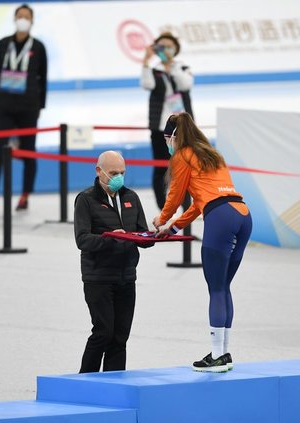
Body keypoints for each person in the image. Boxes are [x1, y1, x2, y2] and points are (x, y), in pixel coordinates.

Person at [153, 113, 252, 372]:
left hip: (220, 218)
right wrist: (173, 228)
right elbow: (199, 204)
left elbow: (175, 196)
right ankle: (224, 352)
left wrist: (161, 219)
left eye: (167, 140)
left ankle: (217, 356)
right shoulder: (212, 154)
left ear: (173, 137)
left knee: (216, 289)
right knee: (224, 287)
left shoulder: (182, 155)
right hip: (242, 214)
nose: (168, 145)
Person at [74, 150, 152, 373]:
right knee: (103, 332)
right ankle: (84, 383)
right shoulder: (86, 200)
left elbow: (142, 234)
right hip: (98, 277)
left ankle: (113, 385)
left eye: (122, 172)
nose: (118, 177)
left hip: (126, 276)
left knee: (120, 337)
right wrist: (111, 238)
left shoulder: (131, 198)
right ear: (99, 171)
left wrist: (154, 237)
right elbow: (82, 240)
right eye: (113, 173)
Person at [0, 3, 48, 213]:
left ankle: (25, 196)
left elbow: (43, 79)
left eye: (26, 16)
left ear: (31, 21)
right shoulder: (3, 44)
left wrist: (40, 106)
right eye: (19, 15)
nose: (23, 19)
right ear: (14, 19)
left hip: (28, 107)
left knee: (29, 152)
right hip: (4, 105)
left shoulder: (38, 47)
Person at [141, 31, 193, 210]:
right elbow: (147, 84)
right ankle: (163, 209)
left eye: (169, 46)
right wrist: (146, 61)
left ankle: (187, 208)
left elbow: (185, 84)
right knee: (161, 168)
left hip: (183, 127)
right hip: (160, 127)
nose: (166, 50)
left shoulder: (182, 67)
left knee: (185, 167)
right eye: (161, 46)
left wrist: (172, 66)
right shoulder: (154, 70)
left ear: (176, 49)